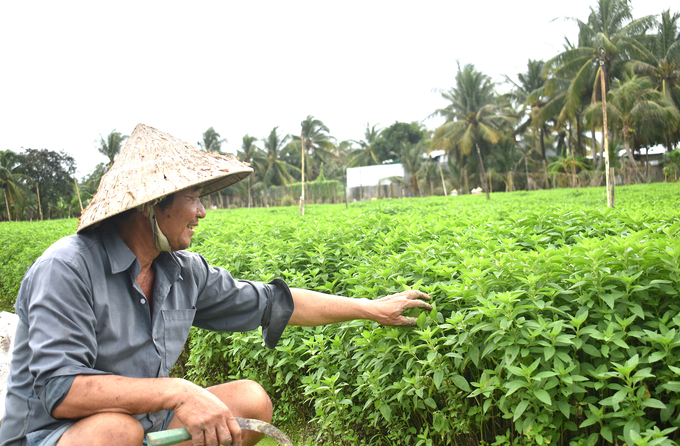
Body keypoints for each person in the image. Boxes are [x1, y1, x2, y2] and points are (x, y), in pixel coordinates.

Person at [0, 124, 431, 446]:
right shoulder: (67, 268)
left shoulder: (181, 271)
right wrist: (178, 389)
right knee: (116, 432)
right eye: (194, 197)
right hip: (54, 435)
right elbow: (61, 390)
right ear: (153, 204)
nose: (202, 211)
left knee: (249, 401)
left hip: (144, 425)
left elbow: (273, 302)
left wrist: (370, 308)